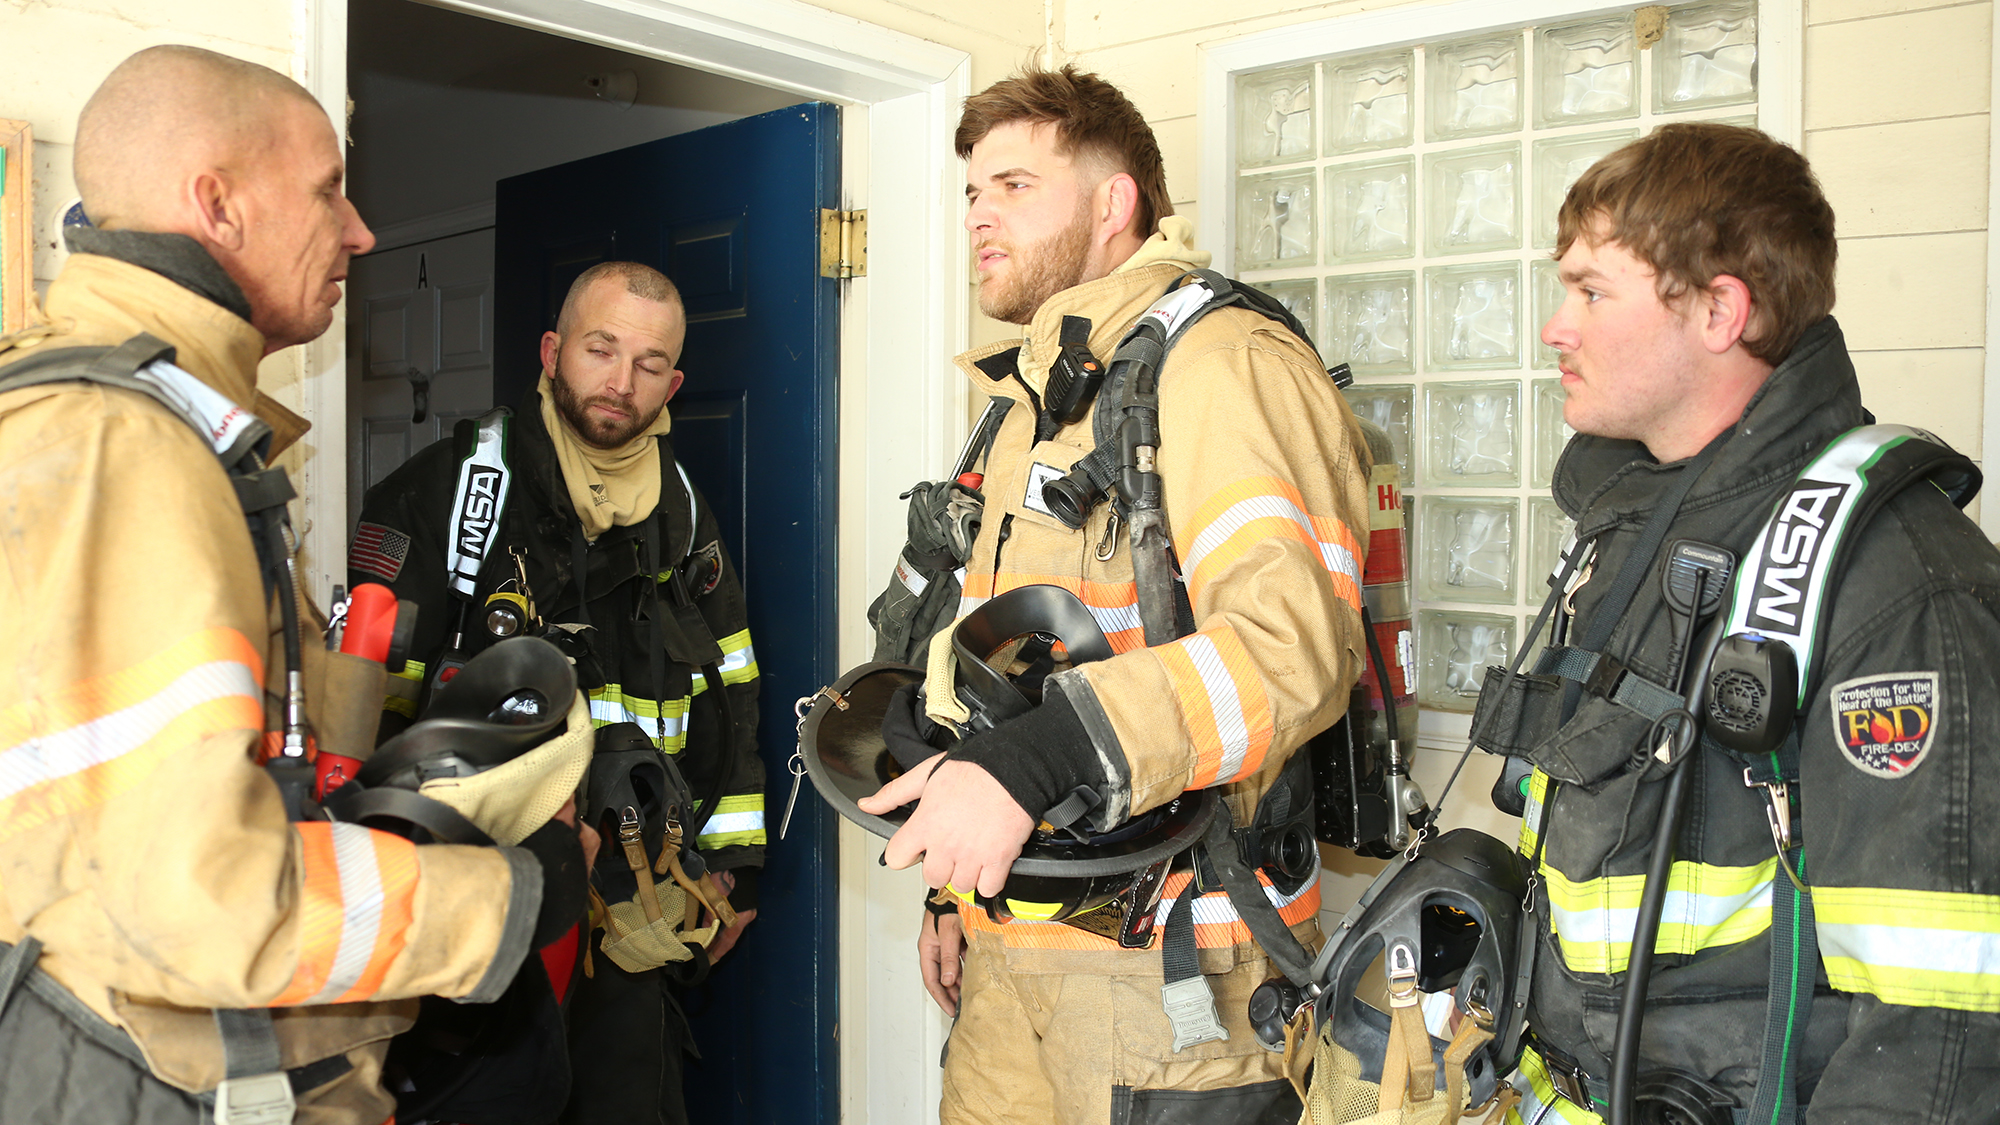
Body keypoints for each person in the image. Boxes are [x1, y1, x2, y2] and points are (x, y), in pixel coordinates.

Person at [0, 46, 589, 1124]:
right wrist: (517, 891)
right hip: (142, 1078)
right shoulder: (120, 451)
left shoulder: (130, 422)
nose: (362, 229)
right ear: (215, 204)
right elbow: (202, 903)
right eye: (326, 188)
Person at [856, 65, 1373, 1123]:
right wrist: (953, 889)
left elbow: (1292, 648)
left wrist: (1037, 764)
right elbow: (998, 679)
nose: (979, 218)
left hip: (1177, 983)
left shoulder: (1223, 363)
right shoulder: (1031, 399)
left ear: (1111, 203)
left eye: (1012, 186)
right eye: (970, 194)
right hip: (1011, 957)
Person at [1491, 123, 2000, 1122]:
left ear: (1719, 309)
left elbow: (1943, 1030)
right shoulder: (1631, 535)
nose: (1556, 327)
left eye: (1591, 292)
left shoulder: (1894, 583)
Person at [353, 260, 763, 1124]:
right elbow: (368, 711)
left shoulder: (683, 516)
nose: (621, 382)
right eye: (600, 348)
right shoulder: (448, 496)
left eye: (650, 364)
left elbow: (733, 686)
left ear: (675, 382)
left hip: (638, 904)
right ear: (551, 350)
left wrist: (731, 866)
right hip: (482, 902)